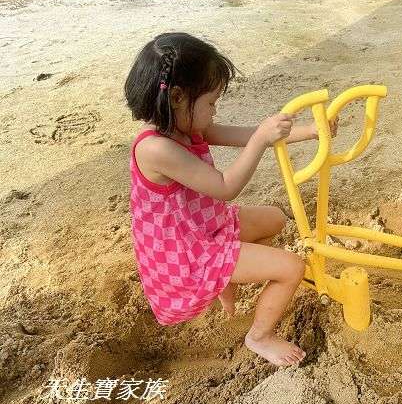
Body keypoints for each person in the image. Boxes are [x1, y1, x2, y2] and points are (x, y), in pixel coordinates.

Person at [123, 32, 336, 366]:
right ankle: (260, 337)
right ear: (177, 97)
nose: (214, 110)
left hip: (206, 227)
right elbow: (225, 187)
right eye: (210, 102)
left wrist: (309, 131)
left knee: (275, 218)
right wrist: (261, 139)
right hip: (188, 256)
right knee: (292, 267)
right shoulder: (156, 148)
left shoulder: (185, 125)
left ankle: (227, 283)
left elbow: (246, 135)